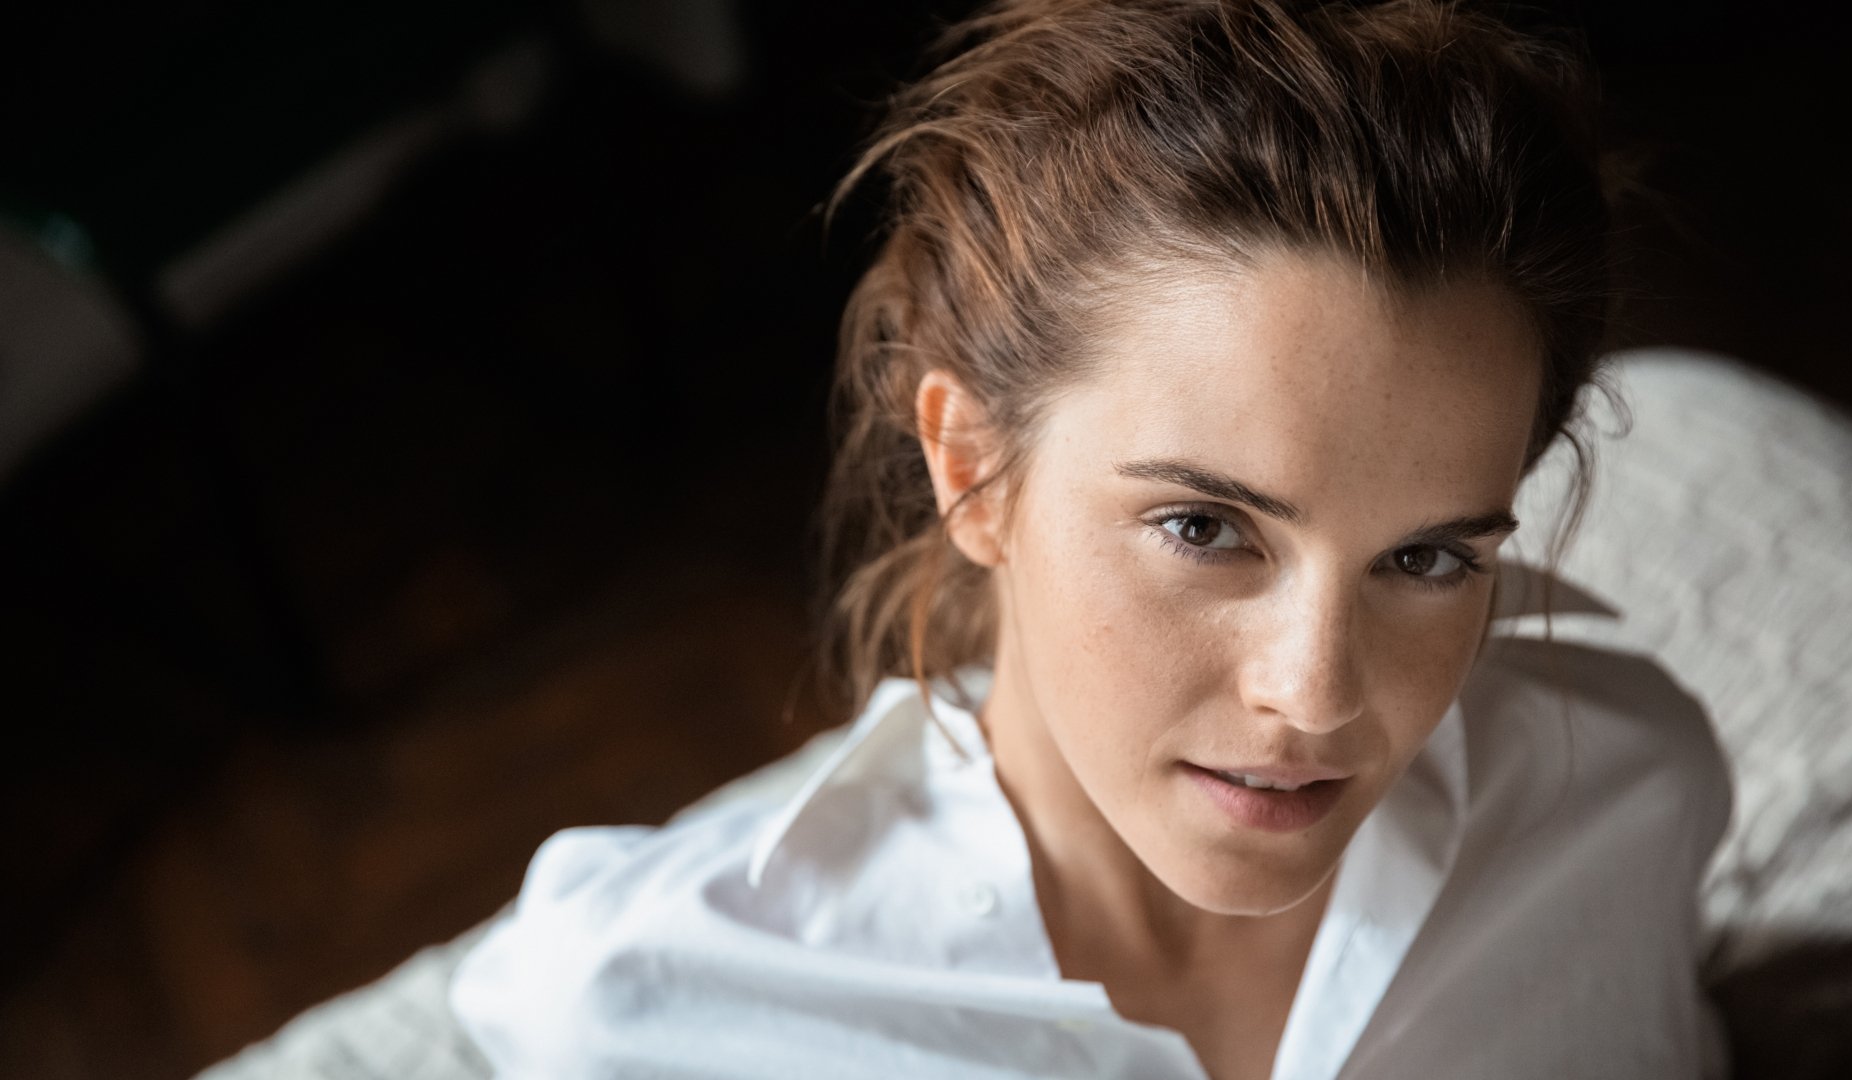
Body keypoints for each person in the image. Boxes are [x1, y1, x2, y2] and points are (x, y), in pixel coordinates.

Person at [449, 1, 1734, 1076]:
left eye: (1428, 558)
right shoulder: (657, 1005)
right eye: (1202, 527)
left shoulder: (1619, 807)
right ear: (970, 465)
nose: (1317, 695)